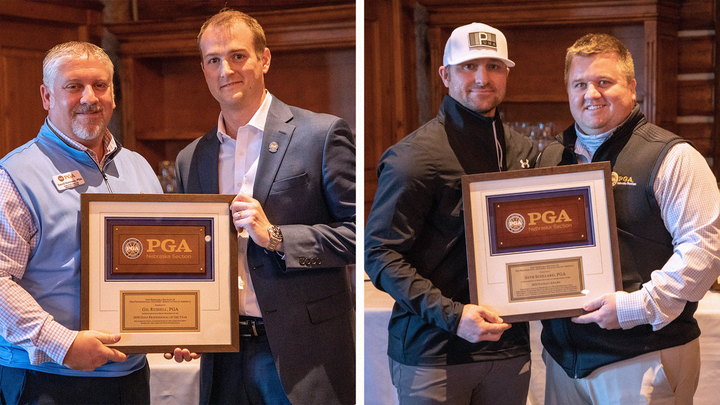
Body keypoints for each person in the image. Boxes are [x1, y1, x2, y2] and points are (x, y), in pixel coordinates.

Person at [171, 9, 356, 405]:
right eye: (213, 60)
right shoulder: (192, 158)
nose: (226, 70)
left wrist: (275, 237)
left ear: (265, 59)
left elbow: (359, 235)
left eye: (238, 56)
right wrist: (186, 325)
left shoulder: (320, 134)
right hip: (224, 355)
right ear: (203, 68)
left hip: (303, 354)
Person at [536, 33, 720, 404]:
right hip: (563, 363)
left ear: (632, 87)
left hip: (642, 359)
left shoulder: (672, 156)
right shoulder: (550, 158)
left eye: (604, 82)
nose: (591, 94)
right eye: (580, 84)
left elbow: (705, 248)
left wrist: (634, 308)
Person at [365, 22, 538, 405]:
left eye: (494, 66)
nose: (482, 78)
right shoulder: (413, 157)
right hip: (433, 353)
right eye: (468, 67)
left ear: (506, 74)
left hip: (509, 351)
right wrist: (453, 316)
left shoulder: (525, 154)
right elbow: (379, 255)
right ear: (445, 75)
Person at [0, 41, 162, 404]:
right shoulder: (14, 175)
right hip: (47, 380)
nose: (90, 97)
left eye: (100, 85)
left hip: (130, 376)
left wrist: (179, 327)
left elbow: (159, 260)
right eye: (74, 86)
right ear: (46, 96)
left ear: (114, 95)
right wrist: (63, 343)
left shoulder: (140, 167)